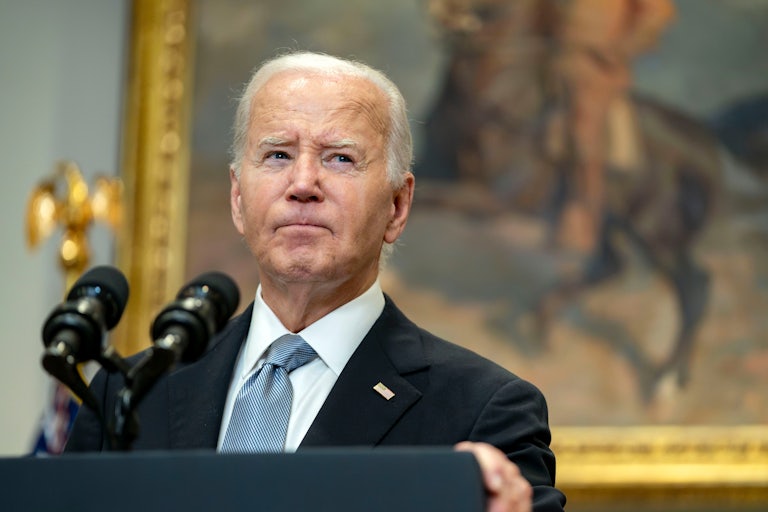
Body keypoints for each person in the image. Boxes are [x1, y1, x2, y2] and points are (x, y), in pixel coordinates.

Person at [65, 51, 566, 511]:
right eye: (278, 155)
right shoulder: (129, 393)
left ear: (398, 205)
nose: (303, 184)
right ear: (238, 198)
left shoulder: (484, 410)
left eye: (339, 158)